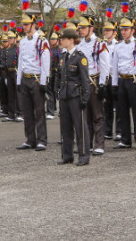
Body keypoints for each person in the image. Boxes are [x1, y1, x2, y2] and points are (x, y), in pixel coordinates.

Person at [15, 13, 50, 151]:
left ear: (33, 24)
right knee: (27, 111)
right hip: (25, 78)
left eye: (26, 24)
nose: (24, 26)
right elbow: (20, 62)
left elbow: (45, 62)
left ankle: (42, 140)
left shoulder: (41, 41)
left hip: (36, 79)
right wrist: (18, 81)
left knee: (39, 111)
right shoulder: (22, 41)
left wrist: (43, 82)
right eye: (23, 24)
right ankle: (30, 139)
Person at [76, 14, 110, 156]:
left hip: (94, 82)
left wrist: (102, 84)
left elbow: (105, 65)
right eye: (80, 28)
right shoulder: (80, 44)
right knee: (85, 115)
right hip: (82, 83)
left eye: (83, 28)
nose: (81, 30)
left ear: (91, 28)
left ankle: (99, 144)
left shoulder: (100, 44)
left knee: (97, 115)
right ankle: (87, 144)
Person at [56, 27, 91, 166]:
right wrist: (57, 90)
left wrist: (85, 98)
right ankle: (67, 155)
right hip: (65, 95)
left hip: (76, 95)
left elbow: (85, 79)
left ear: (71, 40)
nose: (61, 41)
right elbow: (59, 77)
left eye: (63, 39)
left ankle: (83, 155)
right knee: (65, 127)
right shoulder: (63, 56)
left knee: (80, 127)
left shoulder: (80, 57)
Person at [111, 17, 136, 151]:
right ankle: (125, 139)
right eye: (122, 30)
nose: (123, 32)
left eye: (126, 29)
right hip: (121, 79)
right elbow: (114, 66)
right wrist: (114, 85)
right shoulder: (118, 46)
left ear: (133, 30)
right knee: (122, 111)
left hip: (133, 80)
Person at [0, 32, 20, 122]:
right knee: (10, 94)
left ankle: (20, 113)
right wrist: (6, 76)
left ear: (15, 39)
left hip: (16, 72)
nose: (10, 40)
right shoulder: (7, 50)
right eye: (9, 38)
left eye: (11, 38)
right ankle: (11, 114)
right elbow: (6, 64)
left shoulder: (18, 49)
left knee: (18, 94)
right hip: (9, 72)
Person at [46, 31, 61, 119]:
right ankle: (51, 111)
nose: (52, 40)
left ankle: (60, 110)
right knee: (50, 91)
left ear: (57, 40)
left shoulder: (60, 50)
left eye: (54, 39)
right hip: (51, 72)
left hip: (57, 73)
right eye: (51, 39)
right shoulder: (49, 49)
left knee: (57, 91)